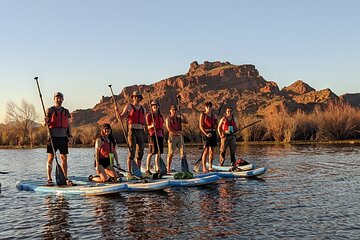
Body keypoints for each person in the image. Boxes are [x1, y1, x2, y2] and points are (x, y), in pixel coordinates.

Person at [45, 92, 73, 186]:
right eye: (57, 98)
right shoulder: (50, 110)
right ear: (54, 99)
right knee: (50, 158)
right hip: (52, 138)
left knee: (64, 158)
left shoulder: (66, 111)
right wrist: (44, 122)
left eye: (60, 98)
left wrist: (71, 135)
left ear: (63, 99)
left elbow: (69, 124)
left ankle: (65, 177)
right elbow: (44, 123)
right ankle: (49, 178)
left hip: (63, 137)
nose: (59, 99)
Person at [119, 90, 146, 179]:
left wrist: (147, 134)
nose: (137, 98)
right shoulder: (129, 106)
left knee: (141, 152)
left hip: (141, 131)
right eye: (135, 97)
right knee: (132, 152)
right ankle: (130, 172)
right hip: (132, 130)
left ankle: (137, 171)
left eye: (138, 97)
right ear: (133, 98)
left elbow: (144, 121)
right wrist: (117, 112)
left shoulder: (143, 108)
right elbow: (121, 117)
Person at [165, 104, 187, 173]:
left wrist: (182, 114)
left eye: (175, 110)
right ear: (170, 110)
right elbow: (168, 128)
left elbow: (186, 121)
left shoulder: (178, 118)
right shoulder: (168, 118)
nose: (174, 111)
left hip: (179, 137)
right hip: (172, 137)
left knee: (183, 153)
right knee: (170, 153)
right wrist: (177, 132)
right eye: (173, 110)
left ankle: (184, 169)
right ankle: (168, 168)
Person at [145, 100, 164, 175]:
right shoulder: (149, 116)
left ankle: (157, 168)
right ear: (151, 107)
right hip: (152, 135)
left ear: (158, 107)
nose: (155, 107)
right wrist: (152, 126)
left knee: (158, 152)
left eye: (156, 105)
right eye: (153, 106)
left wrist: (163, 135)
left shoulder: (161, 116)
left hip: (160, 135)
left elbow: (162, 127)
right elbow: (146, 127)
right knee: (151, 152)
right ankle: (147, 169)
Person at [199, 101, 218, 173]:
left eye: (210, 107)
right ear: (205, 107)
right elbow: (200, 126)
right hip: (206, 133)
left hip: (213, 132)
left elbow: (216, 125)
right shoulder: (203, 115)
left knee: (212, 151)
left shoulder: (213, 115)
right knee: (206, 151)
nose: (209, 108)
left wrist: (217, 119)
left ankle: (210, 166)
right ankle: (204, 167)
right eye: (208, 107)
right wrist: (206, 134)